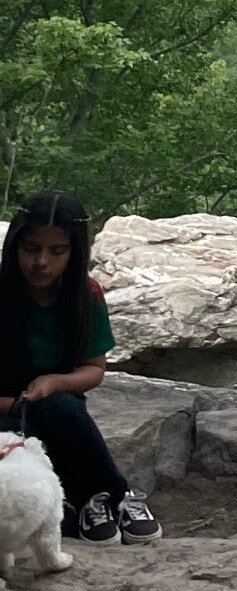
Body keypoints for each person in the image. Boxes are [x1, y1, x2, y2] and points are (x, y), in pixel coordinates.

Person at [0, 191, 158, 545]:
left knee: (61, 410)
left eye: (57, 251)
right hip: (3, 414)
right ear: (14, 247)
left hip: (54, 407)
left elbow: (93, 369)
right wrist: (14, 405)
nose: (41, 262)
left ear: (74, 252)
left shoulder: (86, 296)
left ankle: (109, 496)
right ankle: (69, 505)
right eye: (30, 249)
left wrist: (54, 382)